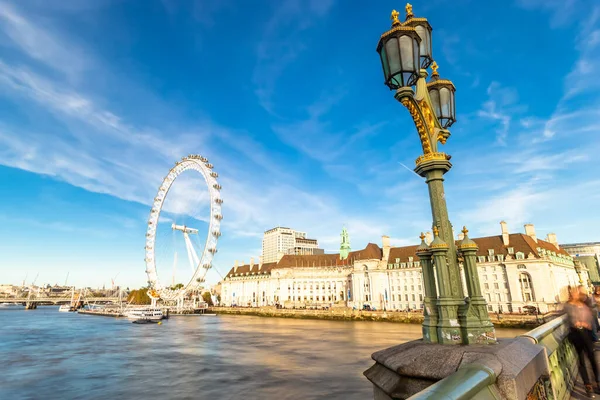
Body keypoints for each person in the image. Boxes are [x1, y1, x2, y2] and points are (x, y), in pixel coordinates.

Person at [565, 285, 600, 397]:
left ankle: (597, 384)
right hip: (577, 335)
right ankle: (588, 386)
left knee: (592, 358)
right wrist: (581, 323)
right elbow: (573, 320)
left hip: (587, 334)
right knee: (582, 360)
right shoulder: (569, 305)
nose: (576, 294)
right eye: (574, 292)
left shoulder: (583, 303)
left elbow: (592, 312)